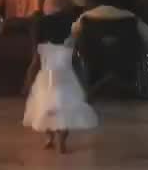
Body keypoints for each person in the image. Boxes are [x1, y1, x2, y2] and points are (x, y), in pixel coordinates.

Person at [23, 13, 98, 154]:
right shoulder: (70, 44)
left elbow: (34, 65)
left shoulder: (42, 46)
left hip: (45, 82)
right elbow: (77, 66)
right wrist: (85, 86)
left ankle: (50, 138)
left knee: (45, 111)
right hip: (67, 81)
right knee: (65, 115)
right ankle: (61, 141)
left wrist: (28, 82)